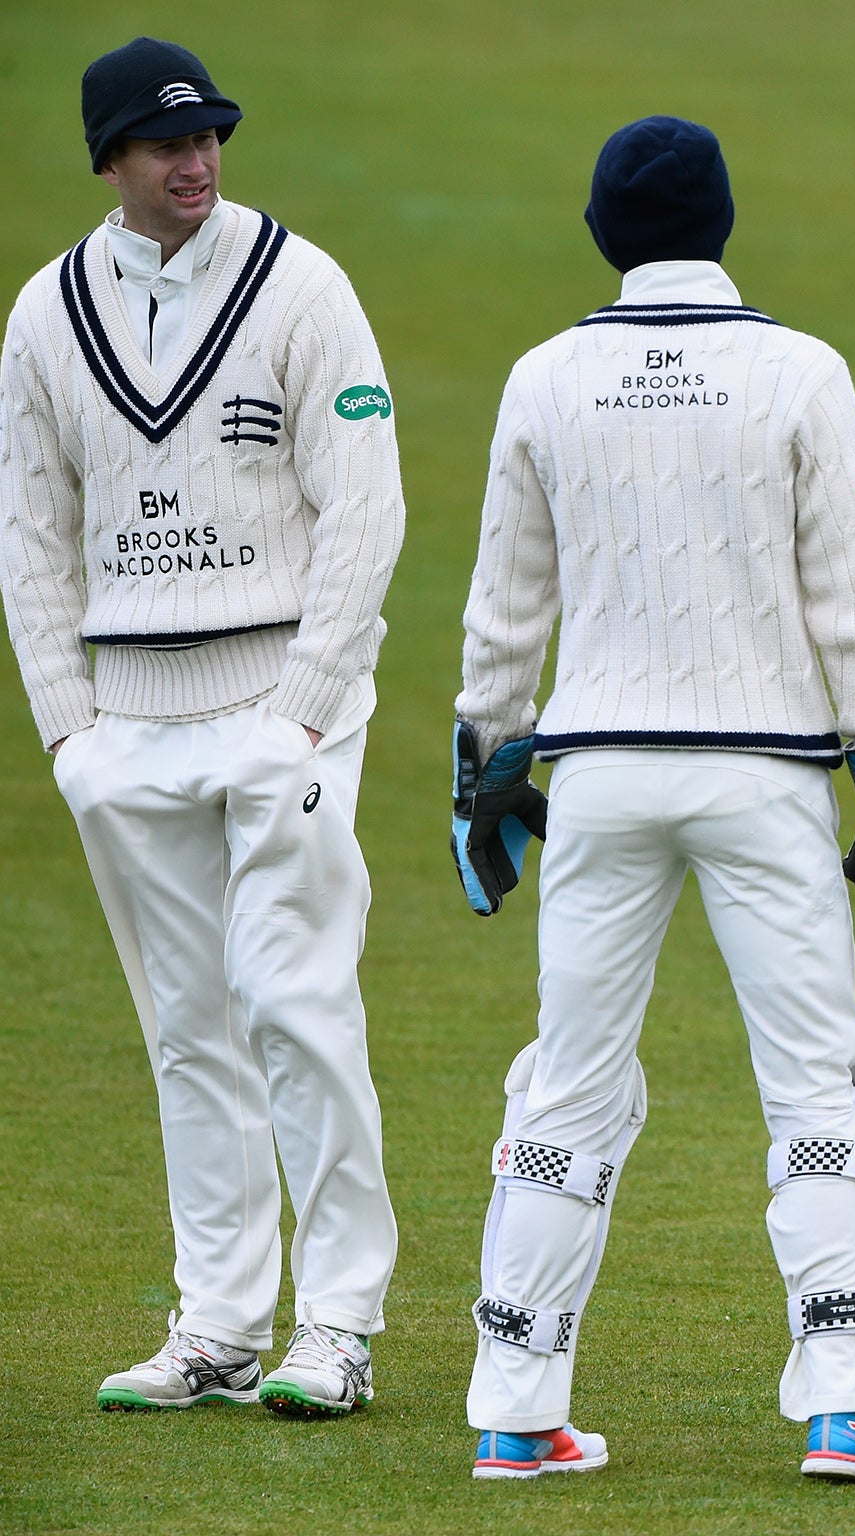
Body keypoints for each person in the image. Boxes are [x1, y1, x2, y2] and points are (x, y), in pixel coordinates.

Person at [451, 116, 855, 1482]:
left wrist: (478, 764)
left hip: (599, 775)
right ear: (722, 221)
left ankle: (513, 1407)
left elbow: (506, 603)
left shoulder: (545, 379)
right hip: (760, 775)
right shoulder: (801, 372)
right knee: (817, 1085)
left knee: (568, 1087)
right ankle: (843, 1407)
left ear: (606, 232)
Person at [0, 37, 405, 1415]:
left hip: (283, 704)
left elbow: (366, 511)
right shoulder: (45, 314)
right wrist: (70, 735)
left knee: (293, 1001)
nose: (197, 163)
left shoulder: (302, 285)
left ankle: (338, 1325)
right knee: (187, 1023)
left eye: (211, 138)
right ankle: (221, 1321)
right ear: (110, 158)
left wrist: (301, 713)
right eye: (167, 146)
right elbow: (31, 534)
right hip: (129, 724)